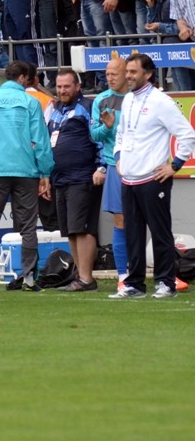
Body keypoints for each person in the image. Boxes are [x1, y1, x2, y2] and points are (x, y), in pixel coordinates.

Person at [110, 54, 195, 298]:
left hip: (152, 178)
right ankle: (135, 284)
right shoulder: (127, 100)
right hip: (129, 178)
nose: (128, 76)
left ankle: (166, 283)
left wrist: (175, 165)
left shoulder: (161, 101)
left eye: (134, 72)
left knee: (160, 232)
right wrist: (118, 157)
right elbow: (122, 133)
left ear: (148, 74)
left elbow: (187, 134)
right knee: (133, 234)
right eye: (127, 71)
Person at [0, 61, 55, 291]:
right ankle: (28, 277)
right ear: (23, 78)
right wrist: (45, 171)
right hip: (25, 170)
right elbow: (41, 140)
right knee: (28, 225)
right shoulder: (30, 102)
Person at [47, 69, 104, 292]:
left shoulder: (88, 107)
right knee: (70, 230)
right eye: (59, 86)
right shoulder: (55, 109)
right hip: (60, 178)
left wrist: (101, 166)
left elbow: (99, 138)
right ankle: (80, 277)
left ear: (77, 87)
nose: (62, 90)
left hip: (83, 176)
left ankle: (87, 279)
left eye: (67, 86)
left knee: (83, 228)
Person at [90, 58, 129, 286]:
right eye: (107, 74)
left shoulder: (138, 99)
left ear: (127, 74)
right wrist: (106, 126)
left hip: (143, 167)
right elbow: (94, 135)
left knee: (151, 220)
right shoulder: (102, 100)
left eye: (114, 74)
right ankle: (123, 276)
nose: (110, 78)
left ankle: (163, 273)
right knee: (121, 220)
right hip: (116, 167)